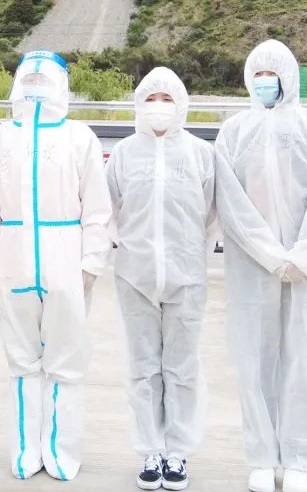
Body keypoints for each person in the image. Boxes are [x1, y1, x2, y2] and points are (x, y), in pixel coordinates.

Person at [0, 50, 111, 481]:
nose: (35, 88)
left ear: (60, 85)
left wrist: (91, 261)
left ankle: (60, 449)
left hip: (65, 256)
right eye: (28, 80)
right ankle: (25, 449)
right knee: (21, 360)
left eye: (43, 80)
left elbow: (97, 207)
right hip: (14, 257)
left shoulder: (80, 137)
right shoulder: (2, 138)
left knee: (65, 361)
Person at [215, 40, 307, 492]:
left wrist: (304, 255)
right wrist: (269, 254)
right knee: (254, 358)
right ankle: (261, 458)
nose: (265, 80)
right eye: (258, 73)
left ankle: (299, 459)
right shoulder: (234, 131)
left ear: (289, 76)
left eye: (273, 72)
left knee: (305, 357)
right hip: (252, 265)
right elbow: (230, 201)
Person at [105, 67, 215, 491]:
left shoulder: (201, 154)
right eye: (151, 99)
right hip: (135, 275)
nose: (158, 107)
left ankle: (179, 452)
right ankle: (150, 450)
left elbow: (211, 215)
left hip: (187, 276)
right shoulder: (124, 154)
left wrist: (194, 258)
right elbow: (111, 210)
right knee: (143, 367)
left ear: (181, 104)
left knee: (182, 367)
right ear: (139, 104)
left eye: (167, 99)